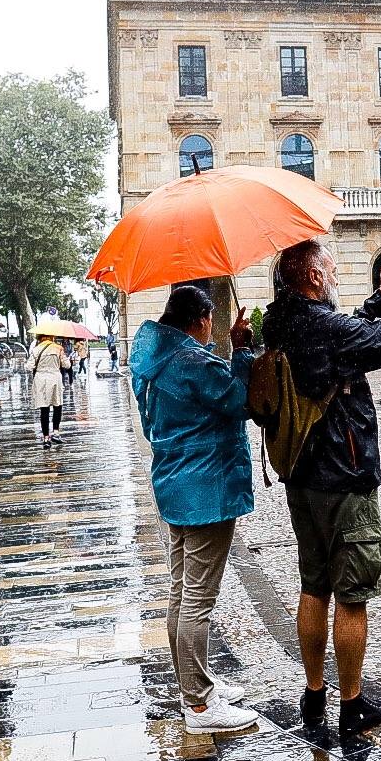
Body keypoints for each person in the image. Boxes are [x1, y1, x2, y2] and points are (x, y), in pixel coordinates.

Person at [261, 240, 381, 736]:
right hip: (344, 474)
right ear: (312, 279)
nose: (334, 276)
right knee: (352, 593)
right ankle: (351, 706)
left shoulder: (280, 321)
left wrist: (378, 299)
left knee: (313, 586)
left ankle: (314, 698)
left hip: (302, 475)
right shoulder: (321, 327)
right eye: (329, 270)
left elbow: (351, 330)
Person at [129, 286, 260, 736]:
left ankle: (195, 684)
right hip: (207, 487)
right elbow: (238, 400)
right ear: (201, 318)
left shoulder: (153, 359)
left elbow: (182, 406)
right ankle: (200, 705)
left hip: (174, 483)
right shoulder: (192, 361)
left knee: (182, 591)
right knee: (198, 600)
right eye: (210, 322)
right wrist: (241, 349)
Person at [30, 329, 71, 448]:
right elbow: (66, 365)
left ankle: (46, 438)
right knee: (57, 405)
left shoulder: (36, 349)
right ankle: (56, 433)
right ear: (51, 336)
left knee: (44, 409)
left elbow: (29, 366)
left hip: (41, 380)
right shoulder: (58, 348)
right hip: (55, 379)